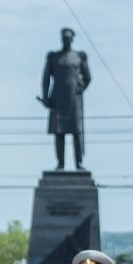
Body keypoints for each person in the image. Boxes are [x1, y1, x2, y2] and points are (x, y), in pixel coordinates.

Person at [40, 27, 92, 170]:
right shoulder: (54, 57)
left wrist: (81, 88)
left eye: (68, 38)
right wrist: (45, 97)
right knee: (59, 131)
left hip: (74, 100)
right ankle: (60, 163)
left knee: (76, 131)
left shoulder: (79, 56)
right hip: (57, 98)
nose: (66, 40)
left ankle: (79, 163)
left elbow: (88, 77)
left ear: (72, 39)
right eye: (64, 38)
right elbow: (45, 78)